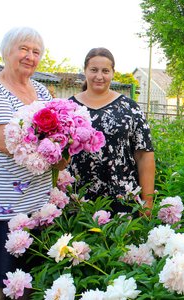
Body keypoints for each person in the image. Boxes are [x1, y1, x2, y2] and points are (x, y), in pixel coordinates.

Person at [0, 27, 55, 299]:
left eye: (36, 52)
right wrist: (55, 148)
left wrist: (65, 144)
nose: (30, 56)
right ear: (7, 52)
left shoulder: (41, 90)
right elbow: (7, 144)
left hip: (36, 205)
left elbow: (59, 132)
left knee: (27, 283)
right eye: (24, 49)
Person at [68, 47, 155, 215]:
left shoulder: (130, 108)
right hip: (78, 200)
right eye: (94, 70)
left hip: (122, 199)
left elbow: (144, 155)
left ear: (113, 73)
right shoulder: (69, 109)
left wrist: (147, 202)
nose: (99, 76)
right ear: (84, 70)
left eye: (105, 71)